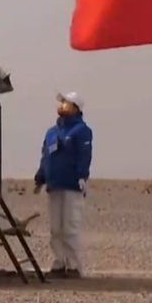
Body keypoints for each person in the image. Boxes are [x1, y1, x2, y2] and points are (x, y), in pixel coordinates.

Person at [33, 91, 93, 278]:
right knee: (56, 228)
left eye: (66, 103)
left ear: (76, 108)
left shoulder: (81, 131)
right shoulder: (52, 132)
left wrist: (82, 176)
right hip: (55, 183)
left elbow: (84, 155)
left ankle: (73, 265)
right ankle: (59, 262)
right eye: (61, 102)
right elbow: (46, 156)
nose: (62, 106)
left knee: (70, 226)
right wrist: (40, 177)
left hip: (72, 184)